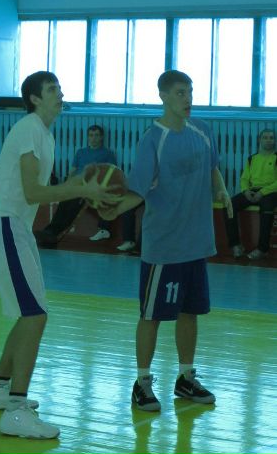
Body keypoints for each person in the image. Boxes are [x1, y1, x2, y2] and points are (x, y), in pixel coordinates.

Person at [0, 71, 119, 439]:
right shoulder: (29, 128)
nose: (60, 94)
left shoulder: (44, 135)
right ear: (35, 98)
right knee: (34, 315)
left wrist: (81, 187)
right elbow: (33, 192)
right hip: (5, 225)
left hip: (17, 228)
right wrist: (79, 190)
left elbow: (45, 190)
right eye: (52, 89)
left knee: (31, 313)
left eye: (59, 88)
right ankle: (15, 411)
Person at [100, 70, 232, 412]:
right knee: (151, 316)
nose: (187, 99)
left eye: (190, 92)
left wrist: (221, 189)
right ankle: (142, 382)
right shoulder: (152, 140)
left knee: (191, 313)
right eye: (180, 93)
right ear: (163, 96)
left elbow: (213, 167)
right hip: (164, 247)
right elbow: (138, 191)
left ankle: (186, 378)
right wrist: (115, 210)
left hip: (197, 243)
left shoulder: (202, 130)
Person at [35, 124, 118, 247]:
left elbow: (111, 173)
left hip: (90, 187)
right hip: (76, 184)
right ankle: (50, 231)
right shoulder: (81, 152)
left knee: (73, 205)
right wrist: (67, 185)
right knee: (64, 202)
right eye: (91, 135)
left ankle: (54, 234)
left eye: (96, 135)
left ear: (101, 137)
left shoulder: (107, 154)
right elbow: (72, 171)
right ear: (87, 137)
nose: (93, 138)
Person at [224, 128, 277, 260]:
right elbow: (244, 178)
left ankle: (262, 249)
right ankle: (236, 245)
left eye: (271, 138)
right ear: (260, 140)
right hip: (253, 191)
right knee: (229, 205)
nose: (268, 140)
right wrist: (246, 191)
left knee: (267, 207)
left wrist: (262, 192)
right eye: (265, 137)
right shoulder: (252, 158)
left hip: (271, 191)